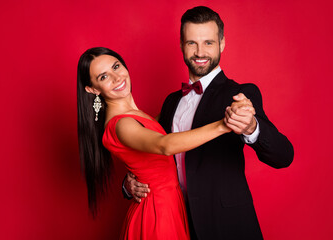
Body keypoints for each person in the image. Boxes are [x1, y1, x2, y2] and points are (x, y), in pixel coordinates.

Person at [123, 6, 294, 240]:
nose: (199, 51)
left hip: (227, 227)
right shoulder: (171, 101)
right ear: (182, 45)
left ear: (222, 44)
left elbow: (283, 156)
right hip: (176, 222)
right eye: (192, 43)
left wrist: (252, 127)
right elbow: (153, 154)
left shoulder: (240, 93)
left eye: (208, 43)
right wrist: (129, 183)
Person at [77, 47, 246, 239]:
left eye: (116, 66)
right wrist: (224, 125)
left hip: (170, 204)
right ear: (93, 89)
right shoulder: (121, 123)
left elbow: (170, 124)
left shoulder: (136, 116)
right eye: (103, 77)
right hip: (158, 212)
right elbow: (164, 145)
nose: (117, 77)